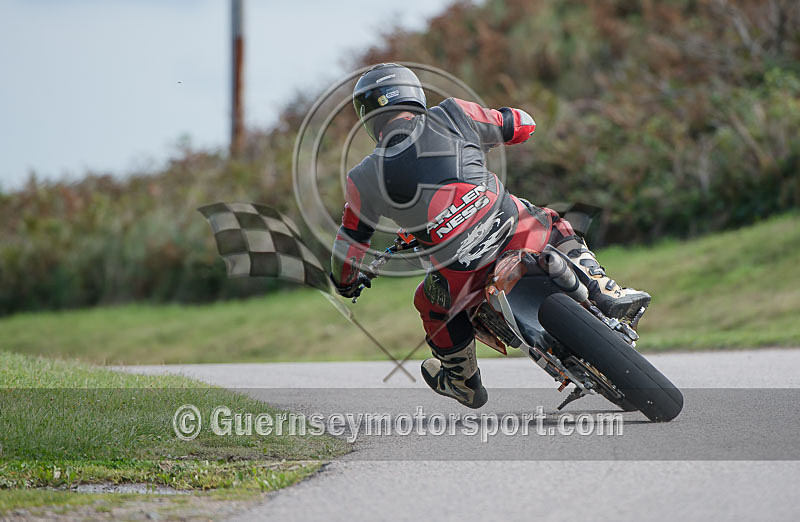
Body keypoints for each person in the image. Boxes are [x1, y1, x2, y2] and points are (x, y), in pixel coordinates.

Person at [330, 63, 650, 408]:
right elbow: (522, 124)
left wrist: (345, 282)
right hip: (511, 227)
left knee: (430, 305)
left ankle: (461, 379)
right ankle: (604, 289)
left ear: (368, 117)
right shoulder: (454, 113)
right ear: (414, 94)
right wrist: (501, 132)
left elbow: (348, 245)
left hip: (458, 270)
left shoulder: (362, 177)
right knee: (554, 224)